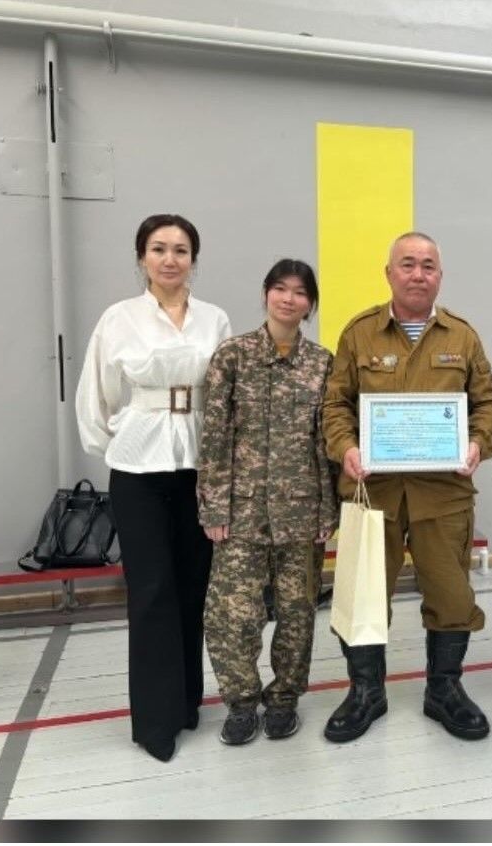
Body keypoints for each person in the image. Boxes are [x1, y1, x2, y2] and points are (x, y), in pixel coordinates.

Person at [321, 232, 492, 742]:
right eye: (407, 264)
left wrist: (477, 442)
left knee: (451, 594)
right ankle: (365, 692)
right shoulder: (359, 334)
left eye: (428, 266)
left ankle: (444, 689)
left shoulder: (462, 337)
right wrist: (346, 448)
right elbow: (336, 404)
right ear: (389, 273)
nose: (418, 274)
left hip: (442, 495)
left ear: (439, 276)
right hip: (371, 492)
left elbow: (487, 402)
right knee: (363, 595)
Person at [76, 214, 231, 762]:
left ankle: (187, 702)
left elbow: (226, 394)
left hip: (199, 468)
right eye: (159, 248)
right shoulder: (118, 319)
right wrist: (114, 441)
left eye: (181, 250)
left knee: (192, 588)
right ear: (142, 257)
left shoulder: (214, 319)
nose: (170, 259)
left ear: (193, 259)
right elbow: (96, 394)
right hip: (138, 469)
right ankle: (155, 722)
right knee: (151, 593)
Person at [197, 259, 336, 746]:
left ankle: (284, 699)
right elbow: (214, 437)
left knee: (297, 614)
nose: (288, 299)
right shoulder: (232, 357)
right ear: (265, 294)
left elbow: (326, 442)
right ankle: (240, 702)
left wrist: (327, 510)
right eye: (280, 289)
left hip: (302, 511)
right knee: (233, 615)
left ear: (310, 304)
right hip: (241, 513)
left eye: (299, 292)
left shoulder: (322, 364)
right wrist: (213, 507)